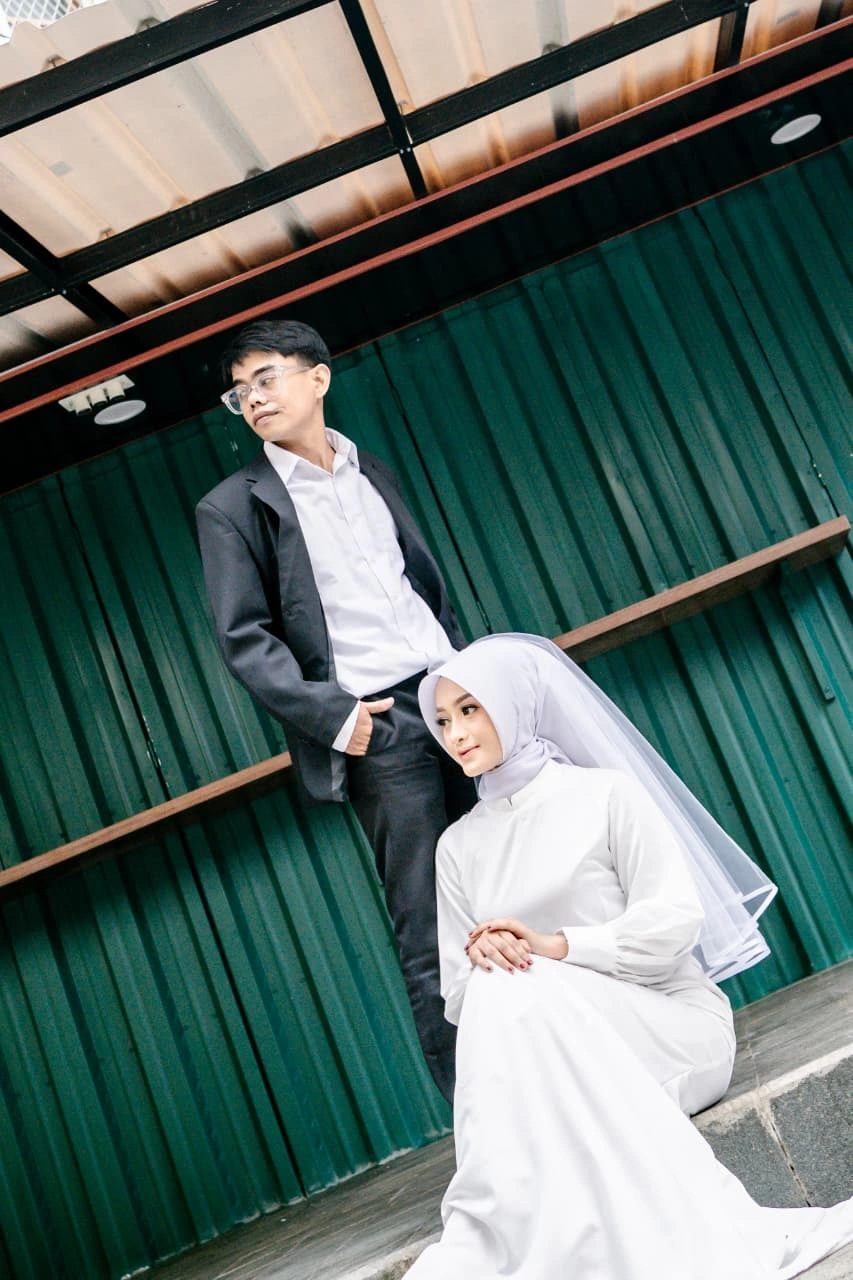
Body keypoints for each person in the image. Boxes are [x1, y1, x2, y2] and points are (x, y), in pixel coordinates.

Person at [406, 633, 853, 1279]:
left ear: (513, 703)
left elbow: (673, 925)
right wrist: (489, 954)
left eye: (471, 709)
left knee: (519, 981)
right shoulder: (456, 847)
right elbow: (457, 993)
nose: (456, 733)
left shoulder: (604, 795)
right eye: (443, 720)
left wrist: (551, 948)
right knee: (501, 982)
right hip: (554, 1051)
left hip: (670, 1027)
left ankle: (486, 1232)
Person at [194, 317, 475, 1103]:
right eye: (238, 392)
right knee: (428, 922)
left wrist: (464, 671)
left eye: (265, 378)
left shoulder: (369, 469)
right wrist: (339, 720)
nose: (252, 399)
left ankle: (570, 1072)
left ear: (317, 377)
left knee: (515, 879)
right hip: (378, 729)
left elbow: (420, 587)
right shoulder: (231, 507)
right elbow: (244, 639)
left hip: (452, 700)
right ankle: (482, 1113)